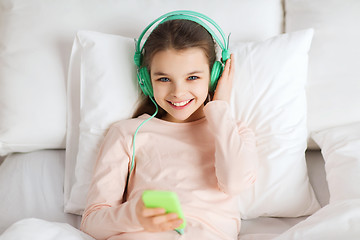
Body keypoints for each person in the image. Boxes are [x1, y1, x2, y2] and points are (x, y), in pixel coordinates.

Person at [80, 13, 258, 240]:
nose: (178, 92)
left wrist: (220, 107)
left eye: (192, 77)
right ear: (146, 80)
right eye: (164, 79)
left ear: (214, 76)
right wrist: (133, 216)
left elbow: (234, 182)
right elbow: (91, 223)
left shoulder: (234, 133)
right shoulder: (126, 134)